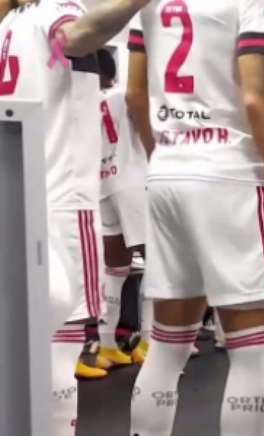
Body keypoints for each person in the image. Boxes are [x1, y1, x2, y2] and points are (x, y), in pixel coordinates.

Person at [126, 1, 264, 434]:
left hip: (167, 171)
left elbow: (133, 95)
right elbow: (258, 95)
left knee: (168, 345)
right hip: (231, 176)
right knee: (251, 351)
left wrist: (164, 154)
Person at [0, 0, 150, 434]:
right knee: (59, 347)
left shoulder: (10, 25)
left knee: (23, 344)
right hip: (63, 199)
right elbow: (76, 35)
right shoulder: (53, 10)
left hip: (19, 196)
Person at [93, 48, 151, 370]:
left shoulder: (84, 102)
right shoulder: (121, 94)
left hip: (101, 184)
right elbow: (137, 99)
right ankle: (150, 342)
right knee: (158, 260)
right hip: (131, 179)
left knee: (115, 269)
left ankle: (106, 345)